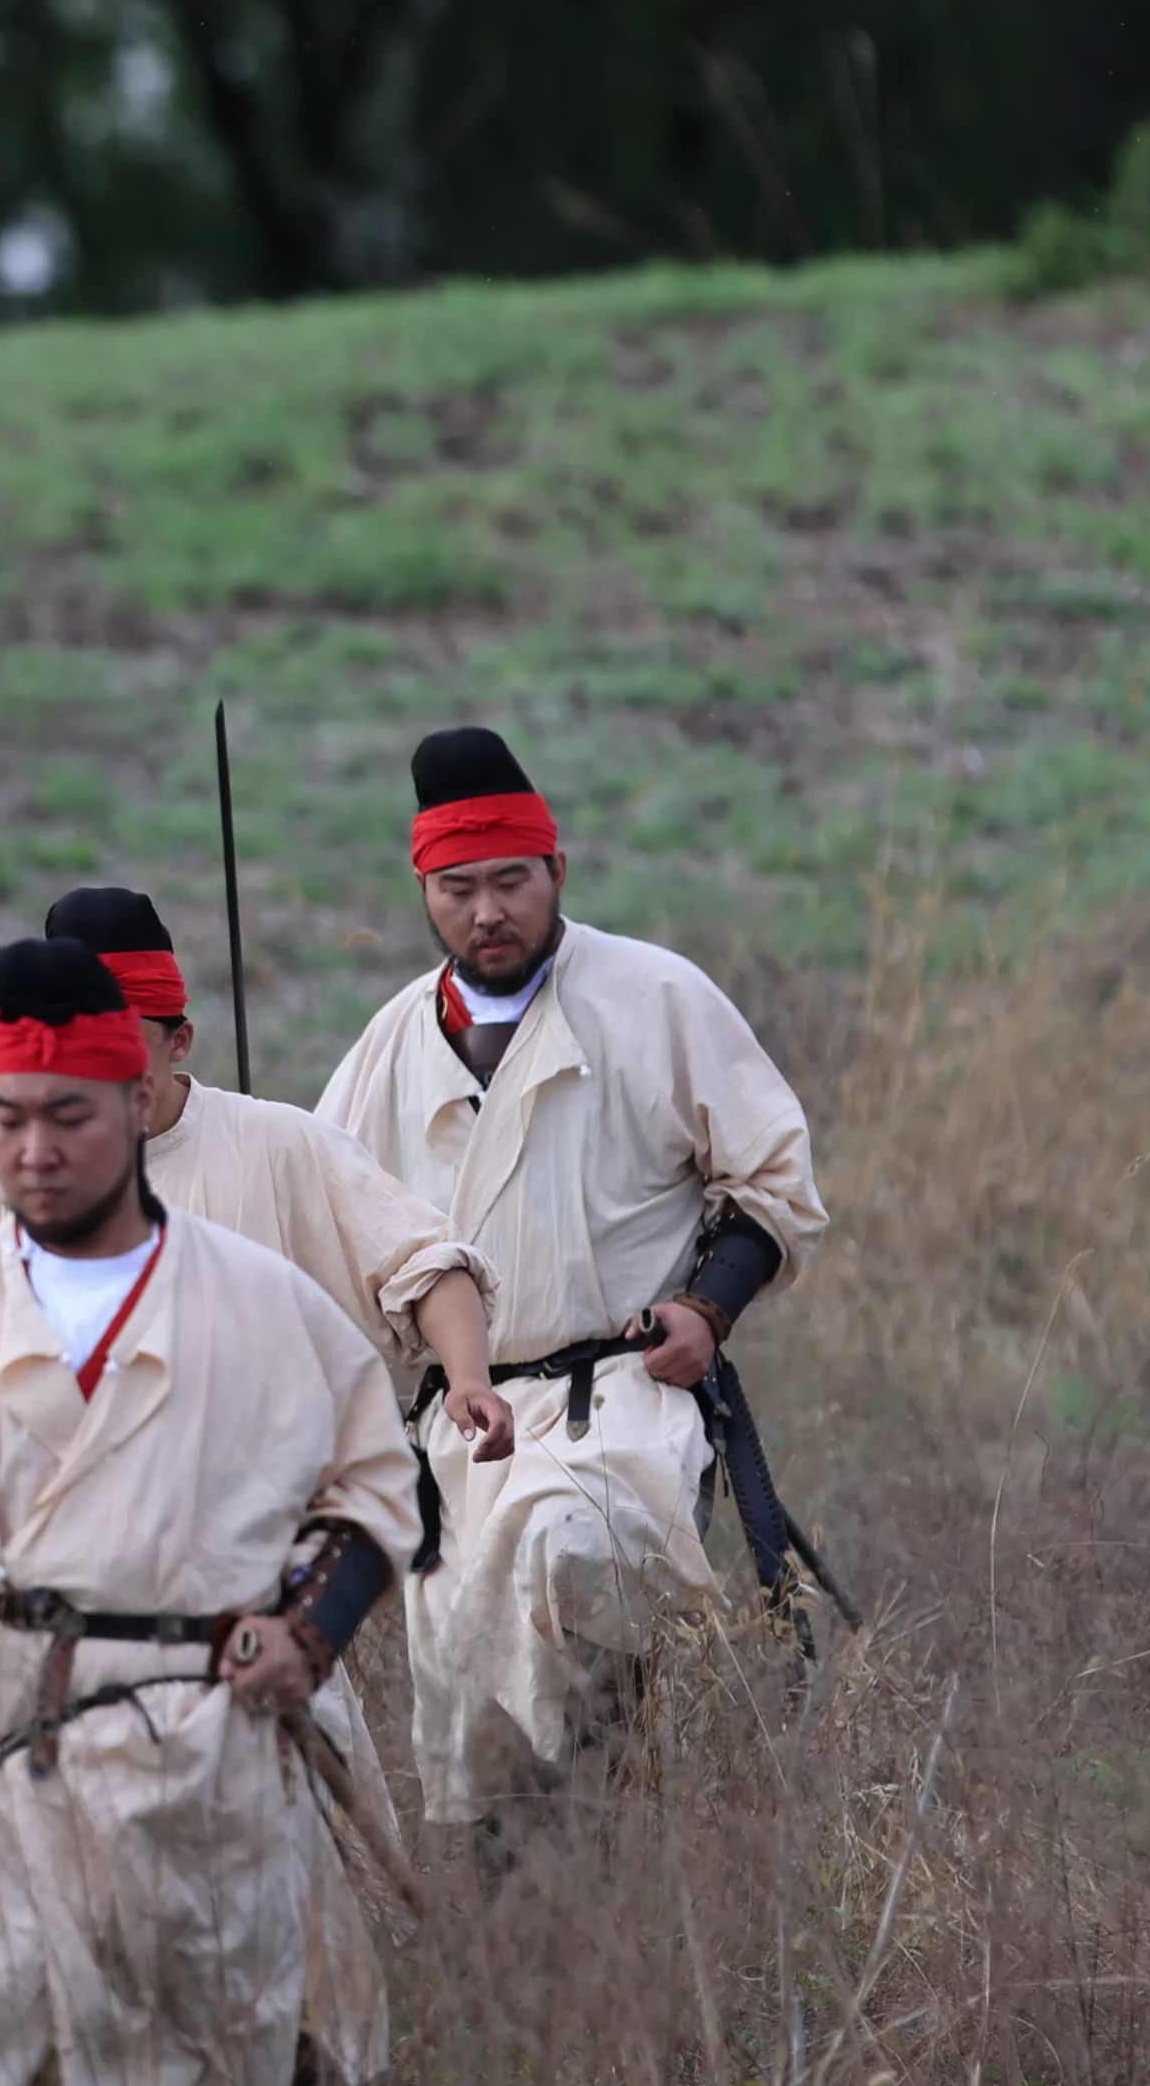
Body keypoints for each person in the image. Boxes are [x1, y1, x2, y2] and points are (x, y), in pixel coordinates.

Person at [0, 939, 422, 2085]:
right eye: (8, 1118)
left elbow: (371, 1485)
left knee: (216, 2053)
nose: (35, 1151)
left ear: (135, 1104)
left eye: (66, 1116)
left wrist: (307, 1630)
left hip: (202, 1743)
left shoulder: (258, 1302)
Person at [0, 883, 502, 2080]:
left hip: (265, 1593)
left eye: (125, 1053)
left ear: (176, 1040)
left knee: (329, 1898)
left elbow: (424, 1263)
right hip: (83, 1613)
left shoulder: (281, 1148)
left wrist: (464, 1377)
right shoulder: (20, 1191)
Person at [318, 727, 826, 1835]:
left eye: (511, 881)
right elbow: (329, 1234)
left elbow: (771, 1183)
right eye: (459, 889)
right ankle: (536, 1948)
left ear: (559, 874)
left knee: (574, 1564)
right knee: (474, 1716)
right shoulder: (391, 1047)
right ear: (424, 891)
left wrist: (707, 1309)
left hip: (622, 1401)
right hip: (461, 1422)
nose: (487, 911)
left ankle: (596, 1866)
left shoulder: (655, 998)